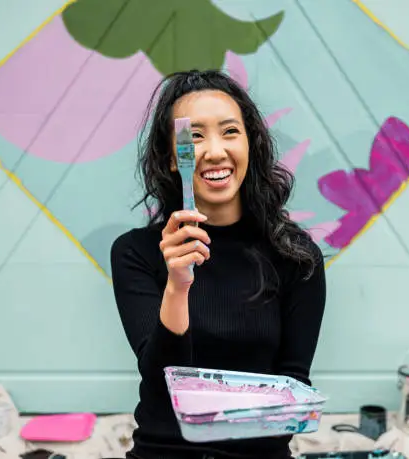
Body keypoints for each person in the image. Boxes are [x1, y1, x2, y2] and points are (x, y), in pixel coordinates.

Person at [110, 69, 327, 459]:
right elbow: (161, 385)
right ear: (173, 159)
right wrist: (178, 284)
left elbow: (291, 392)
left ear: (251, 145)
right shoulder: (136, 253)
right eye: (194, 136)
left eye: (230, 131)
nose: (213, 150)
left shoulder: (298, 258)